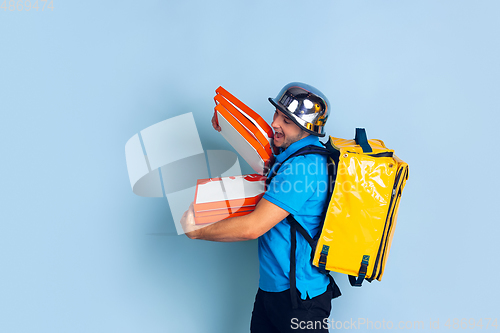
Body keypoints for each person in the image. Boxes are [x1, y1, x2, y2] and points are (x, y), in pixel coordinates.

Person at [180, 82, 339, 333]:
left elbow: (253, 228)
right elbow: (265, 155)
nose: (275, 123)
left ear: (306, 128)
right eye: (276, 114)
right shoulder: (290, 155)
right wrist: (228, 126)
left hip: (299, 298)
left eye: (286, 120)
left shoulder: (303, 168)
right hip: (273, 290)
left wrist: (198, 231)